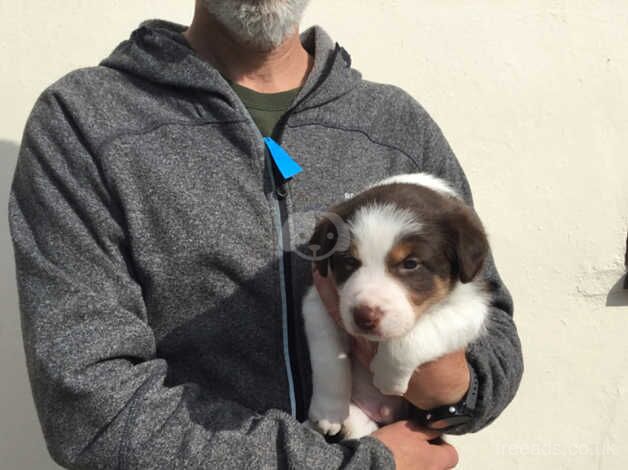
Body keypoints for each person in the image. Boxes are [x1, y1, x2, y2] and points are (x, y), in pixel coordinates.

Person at [7, 1, 523, 468]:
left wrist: (457, 388)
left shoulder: (396, 126)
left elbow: (493, 329)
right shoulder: (86, 121)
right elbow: (88, 409)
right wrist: (349, 466)